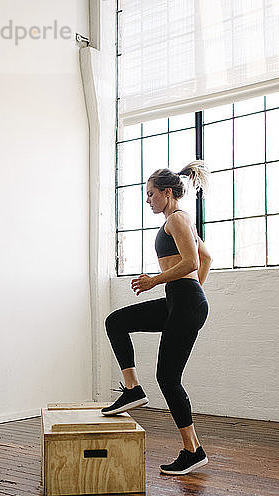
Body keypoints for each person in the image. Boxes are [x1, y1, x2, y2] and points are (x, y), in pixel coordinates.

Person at [102, 161, 212, 475]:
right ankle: (133, 388)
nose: (148, 200)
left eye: (151, 194)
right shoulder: (179, 221)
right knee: (116, 322)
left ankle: (193, 451)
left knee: (167, 377)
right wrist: (191, 290)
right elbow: (205, 258)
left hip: (184, 301)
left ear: (167, 192)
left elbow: (191, 260)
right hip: (181, 300)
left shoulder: (177, 219)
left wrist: (157, 281)